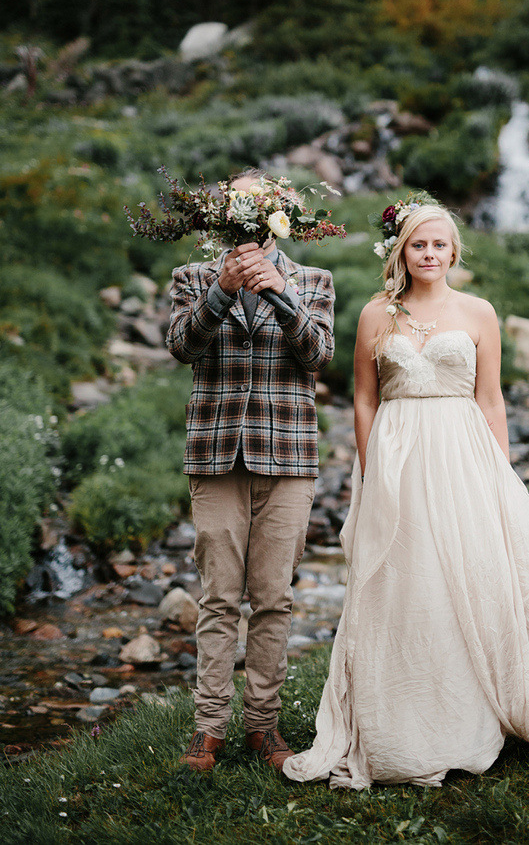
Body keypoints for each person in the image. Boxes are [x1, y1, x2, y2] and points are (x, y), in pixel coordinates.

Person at [283, 202, 529, 788]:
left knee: (469, 574)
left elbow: (491, 400)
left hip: (463, 456)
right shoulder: (375, 315)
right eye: (418, 245)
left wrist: (501, 475)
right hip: (399, 455)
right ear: (401, 252)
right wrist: (371, 465)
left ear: (453, 252)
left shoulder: (479, 312)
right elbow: (363, 398)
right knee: (407, 578)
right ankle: (401, 723)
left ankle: (473, 715)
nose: (429, 254)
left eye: (438, 245)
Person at [166, 174, 335, 773]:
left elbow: (318, 356)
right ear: (223, 216)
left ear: (278, 214)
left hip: (287, 456)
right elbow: (182, 348)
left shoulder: (314, 281)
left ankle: (263, 727)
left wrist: (283, 295)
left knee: (272, 598)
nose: (249, 214)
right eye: (239, 202)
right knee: (217, 598)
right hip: (215, 453)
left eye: (260, 203)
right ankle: (208, 730)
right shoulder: (193, 277)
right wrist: (220, 291)